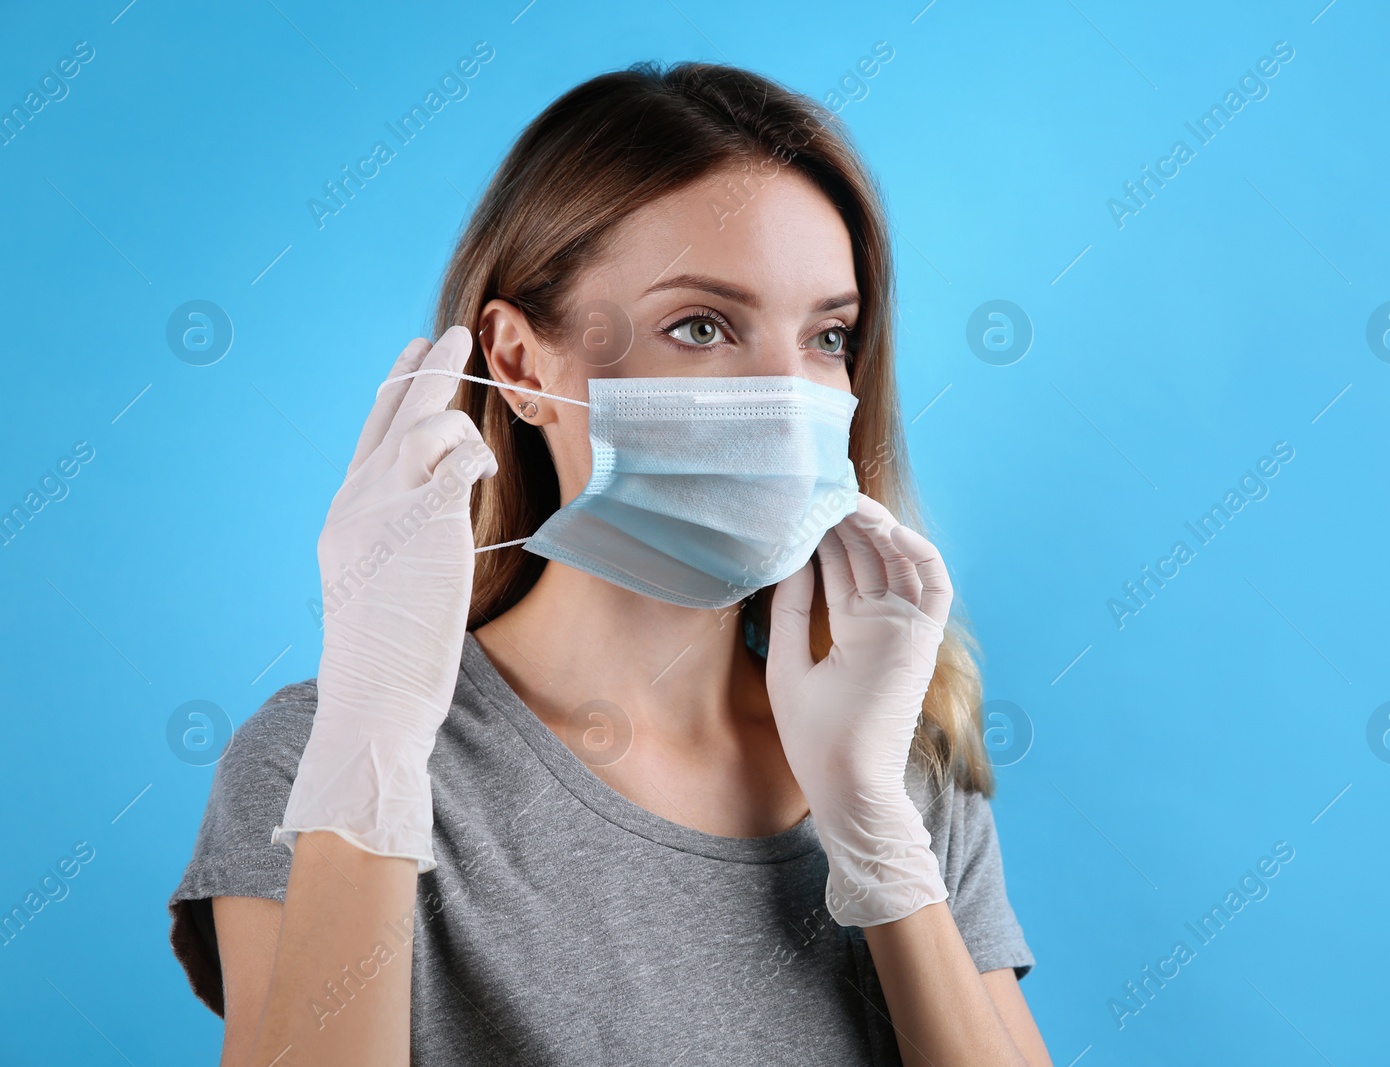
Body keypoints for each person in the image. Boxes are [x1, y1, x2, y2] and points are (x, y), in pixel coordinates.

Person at [167, 60, 1049, 1066]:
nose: (785, 395)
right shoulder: (314, 753)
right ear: (519, 364)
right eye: (702, 326)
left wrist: (877, 834)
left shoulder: (897, 758)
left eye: (827, 336)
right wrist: (369, 752)